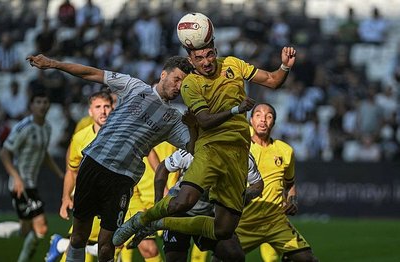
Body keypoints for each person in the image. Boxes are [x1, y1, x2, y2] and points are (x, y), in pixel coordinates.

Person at [114, 13, 296, 254]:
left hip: (238, 154)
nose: (206, 61)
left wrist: (284, 66)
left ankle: (161, 222)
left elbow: (273, 80)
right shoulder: (191, 84)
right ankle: (142, 219)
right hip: (210, 149)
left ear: (215, 51)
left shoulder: (234, 65)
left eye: (209, 55)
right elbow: (205, 121)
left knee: (223, 230)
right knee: (184, 200)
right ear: (191, 59)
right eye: (199, 58)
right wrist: (236, 109)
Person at [26, 53, 196, 262]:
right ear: (163, 75)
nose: (179, 86)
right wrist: (53, 63)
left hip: (122, 180)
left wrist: (195, 125)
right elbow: (92, 73)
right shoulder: (134, 86)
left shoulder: (174, 119)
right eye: (177, 79)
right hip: (94, 164)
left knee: (108, 245)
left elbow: (194, 148)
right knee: (79, 236)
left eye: (184, 83)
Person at [128, 148, 263, 261]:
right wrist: (158, 204)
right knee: (175, 258)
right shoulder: (193, 150)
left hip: (210, 215)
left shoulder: (242, 155)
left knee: (234, 255)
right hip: (178, 212)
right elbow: (163, 167)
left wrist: (244, 196)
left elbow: (258, 183)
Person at [233, 103, 318, 262]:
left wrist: (293, 200)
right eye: (258, 115)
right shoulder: (239, 147)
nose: (263, 120)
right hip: (244, 222)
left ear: (274, 122)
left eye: (269, 116)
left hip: (276, 222)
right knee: (221, 258)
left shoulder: (285, 151)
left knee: (307, 259)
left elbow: (290, 183)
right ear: (251, 120)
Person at [45, 90, 113, 262]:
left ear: (113, 109)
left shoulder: (122, 135)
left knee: (110, 244)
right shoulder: (80, 138)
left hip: (114, 196)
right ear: (90, 111)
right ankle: (61, 245)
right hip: (88, 196)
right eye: (98, 107)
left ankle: (60, 244)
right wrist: (65, 198)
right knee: (81, 240)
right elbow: (71, 170)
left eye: (106, 106)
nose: (103, 111)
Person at [0, 89, 64, 262]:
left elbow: (44, 154)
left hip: (31, 183)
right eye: (38, 102)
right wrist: (17, 177)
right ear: (31, 106)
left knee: (26, 231)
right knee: (41, 228)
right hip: (20, 183)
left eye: (45, 102)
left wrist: (59, 173)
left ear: (49, 105)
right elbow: (4, 153)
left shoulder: (47, 128)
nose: (42, 106)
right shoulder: (23, 127)